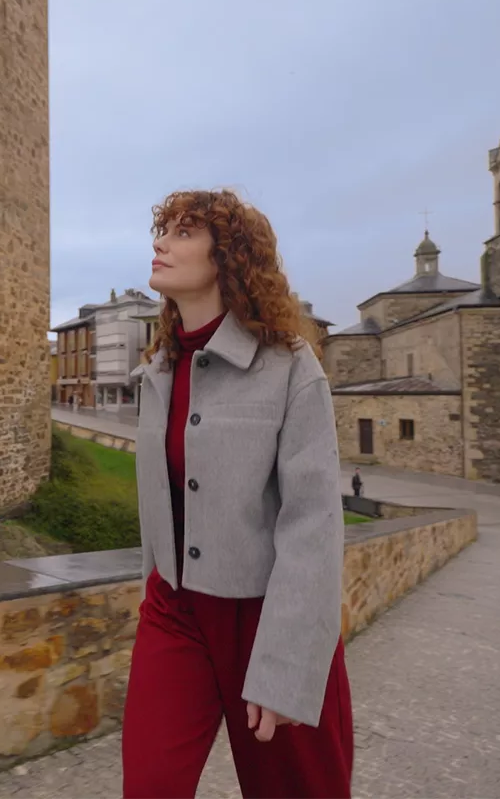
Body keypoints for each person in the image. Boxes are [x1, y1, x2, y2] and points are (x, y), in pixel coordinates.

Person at [122, 189, 352, 798]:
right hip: (174, 612)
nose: (161, 242)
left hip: (268, 616)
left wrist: (286, 668)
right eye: (162, 229)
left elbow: (313, 524)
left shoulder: (291, 369)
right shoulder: (159, 371)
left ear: (228, 257)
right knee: (149, 786)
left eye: (184, 231)